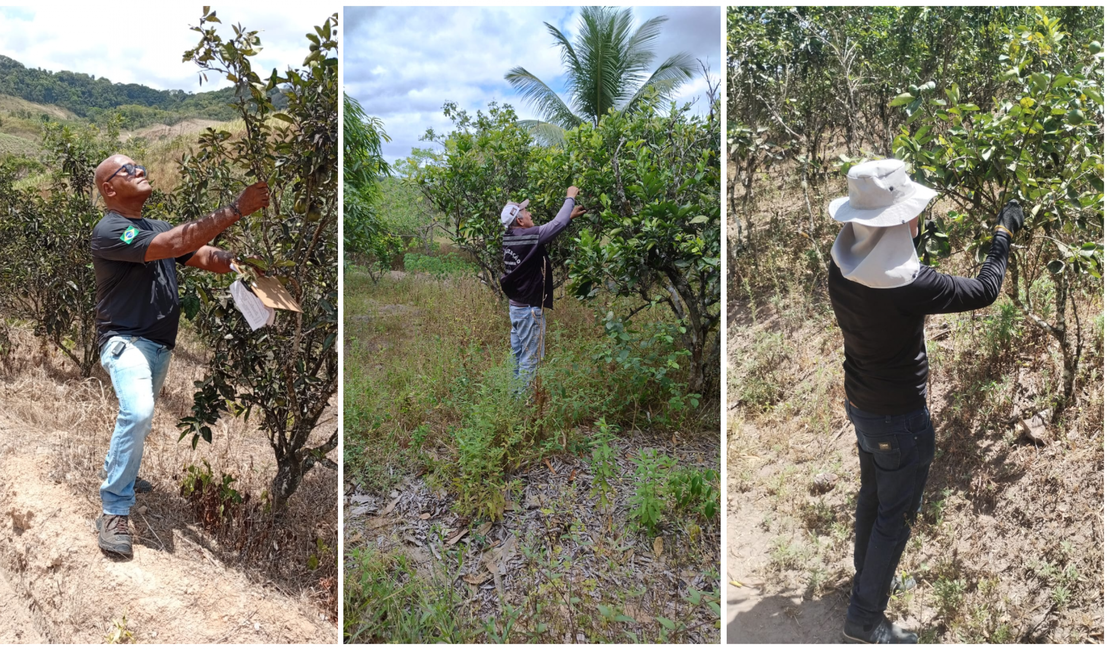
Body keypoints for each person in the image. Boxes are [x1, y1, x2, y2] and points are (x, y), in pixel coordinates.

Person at [827, 159, 1023, 644]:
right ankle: (864, 620)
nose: (918, 218)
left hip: (862, 406)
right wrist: (1002, 234)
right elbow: (985, 290)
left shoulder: (841, 265)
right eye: (911, 213)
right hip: (900, 422)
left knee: (873, 498)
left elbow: (888, 266)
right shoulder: (911, 285)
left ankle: (870, 583)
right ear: (898, 221)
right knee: (895, 518)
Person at [91, 153, 270, 558]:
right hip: (125, 341)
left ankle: (121, 471)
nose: (140, 170)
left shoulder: (156, 227)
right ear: (109, 188)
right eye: (128, 169)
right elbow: (176, 244)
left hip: (159, 346)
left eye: (139, 165)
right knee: (138, 411)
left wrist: (241, 265)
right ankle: (114, 510)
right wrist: (236, 209)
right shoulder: (111, 230)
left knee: (140, 416)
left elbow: (200, 254)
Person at [499, 187, 586, 389]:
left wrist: (568, 218)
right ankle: (525, 403)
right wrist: (570, 198)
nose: (530, 213)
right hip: (528, 311)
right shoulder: (527, 236)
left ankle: (514, 397)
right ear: (520, 220)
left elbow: (554, 227)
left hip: (516, 308)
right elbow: (556, 224)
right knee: (531, 360)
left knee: (518, 357)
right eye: (526, 212)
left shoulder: (510, 237)